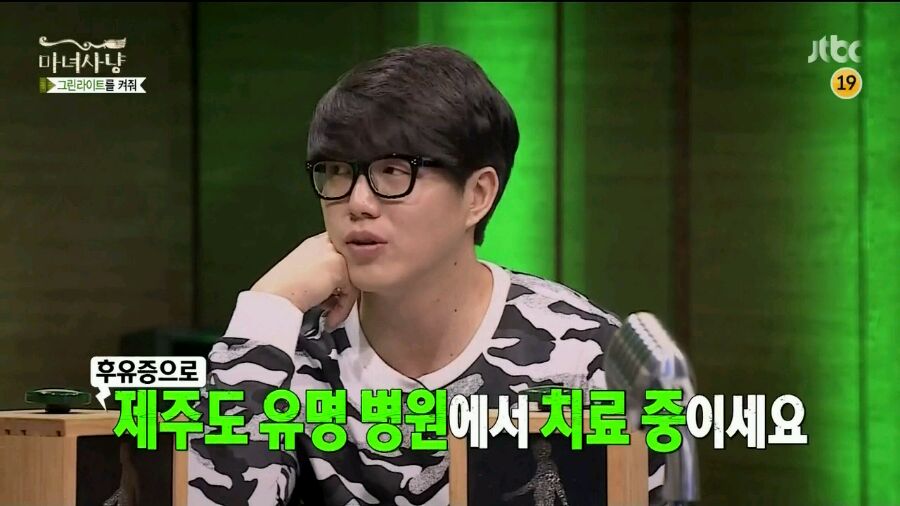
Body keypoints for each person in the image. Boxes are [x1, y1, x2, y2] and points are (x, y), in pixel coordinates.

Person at [188, 44, 665, 506]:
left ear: (477, 195)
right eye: (336, 171)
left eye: (394, 171)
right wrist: (271, 303)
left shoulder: (586, 358)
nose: (357, 202)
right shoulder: (285, 353)